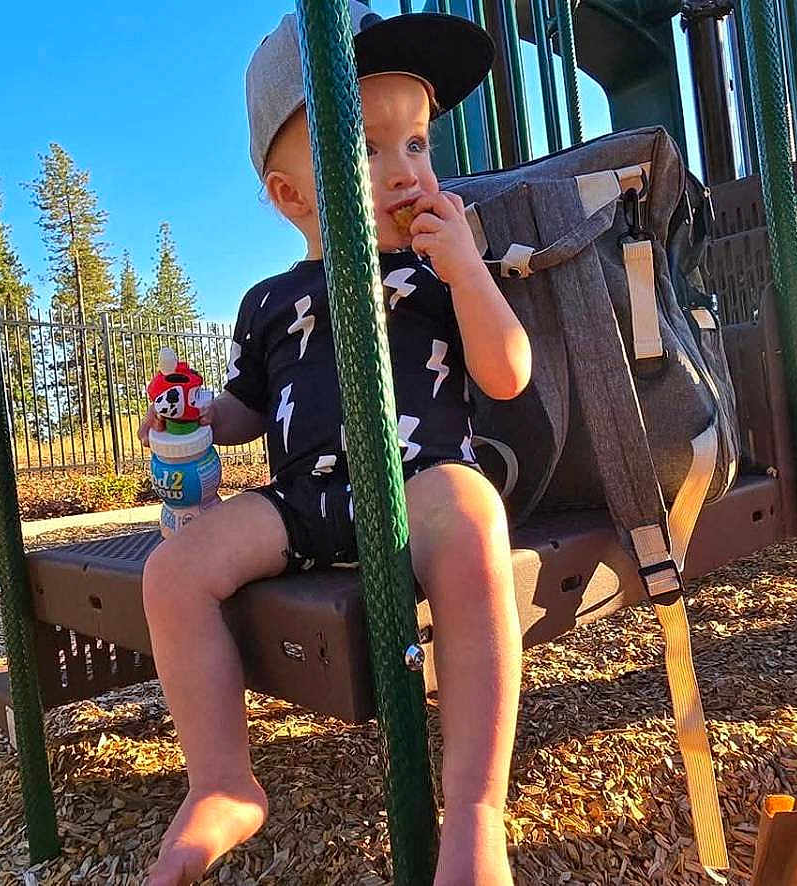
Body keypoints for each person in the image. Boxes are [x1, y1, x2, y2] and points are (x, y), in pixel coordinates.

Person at [136, 7, 528, 885]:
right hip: (300, 500)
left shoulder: (437, 267)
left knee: (472, 514)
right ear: (291, 195)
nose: (404, 170)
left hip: (419, 476)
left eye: (419, 144)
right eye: (369, 145)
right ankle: (222, 784)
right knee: (173, 573)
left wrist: (469, 269)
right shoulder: (269, 300)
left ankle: (473, 810)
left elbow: (507, 374)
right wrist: (186, 419)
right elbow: (242, 409)